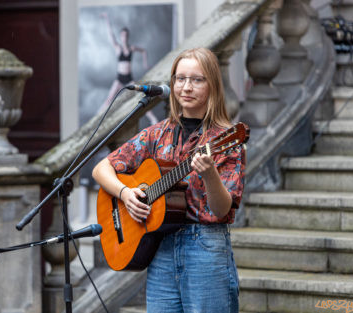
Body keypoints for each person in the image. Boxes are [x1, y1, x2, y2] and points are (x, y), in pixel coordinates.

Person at [92, 47, 245, 313]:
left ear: (213, 86)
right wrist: (125, 193)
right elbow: (101, 169)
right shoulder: (157, 133)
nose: (186, 87)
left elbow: (222, 209)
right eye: (180, 78)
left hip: (205, 248)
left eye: (197, 79)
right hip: (161, 247)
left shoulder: (227, 140)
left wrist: (209, 174)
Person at [99, 12, 158, 125]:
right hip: (119, 78)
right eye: (122, 36)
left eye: (126, 36)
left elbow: (144, 51)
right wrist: (107, 19)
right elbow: (110, 35)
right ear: (121, 37)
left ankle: (152, 119)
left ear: (127, 37)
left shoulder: (131, 48)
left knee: (141, 95)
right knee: (109, 98)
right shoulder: (118, 48)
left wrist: (145, 64)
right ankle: (98, 118)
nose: (124, 38)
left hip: (129, 78)